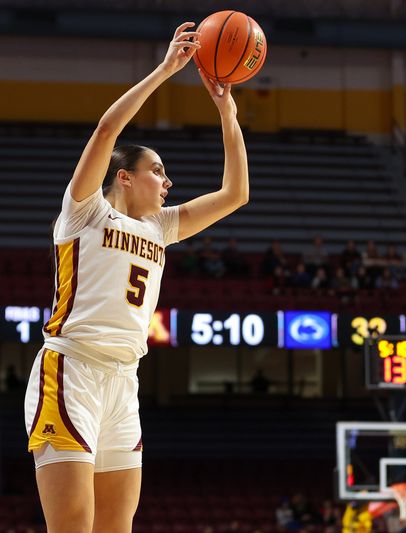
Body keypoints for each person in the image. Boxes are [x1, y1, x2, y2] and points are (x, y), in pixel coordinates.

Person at [23, 23, 250, 532]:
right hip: (71, 371)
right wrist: (166, 70)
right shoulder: (86, 213)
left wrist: (227, 113)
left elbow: (235, 194)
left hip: (124, 382)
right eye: (157, 170)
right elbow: (106, 132)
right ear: (124, 176)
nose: (168, 182)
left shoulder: (160, 227)